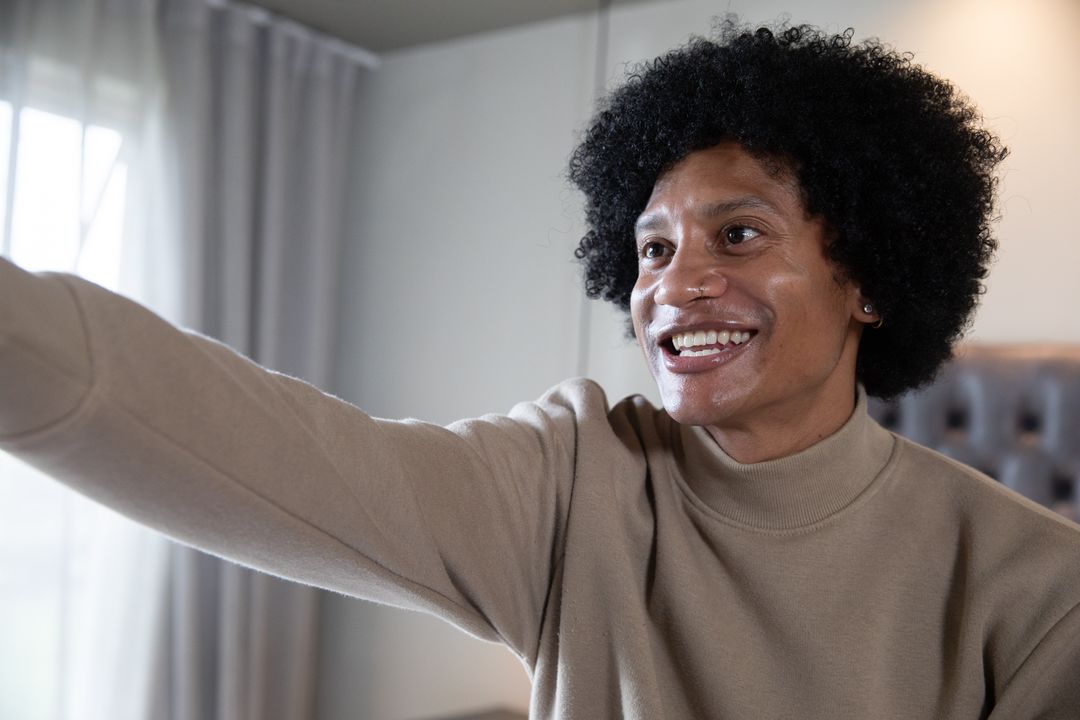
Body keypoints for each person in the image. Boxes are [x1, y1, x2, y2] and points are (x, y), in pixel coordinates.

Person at [2, 19, 1079, 719]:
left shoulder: (1034, 589)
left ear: (870, 277)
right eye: (652, 248)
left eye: (739, 235)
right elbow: (267, 453)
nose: (675, 284)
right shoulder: (576, 478)